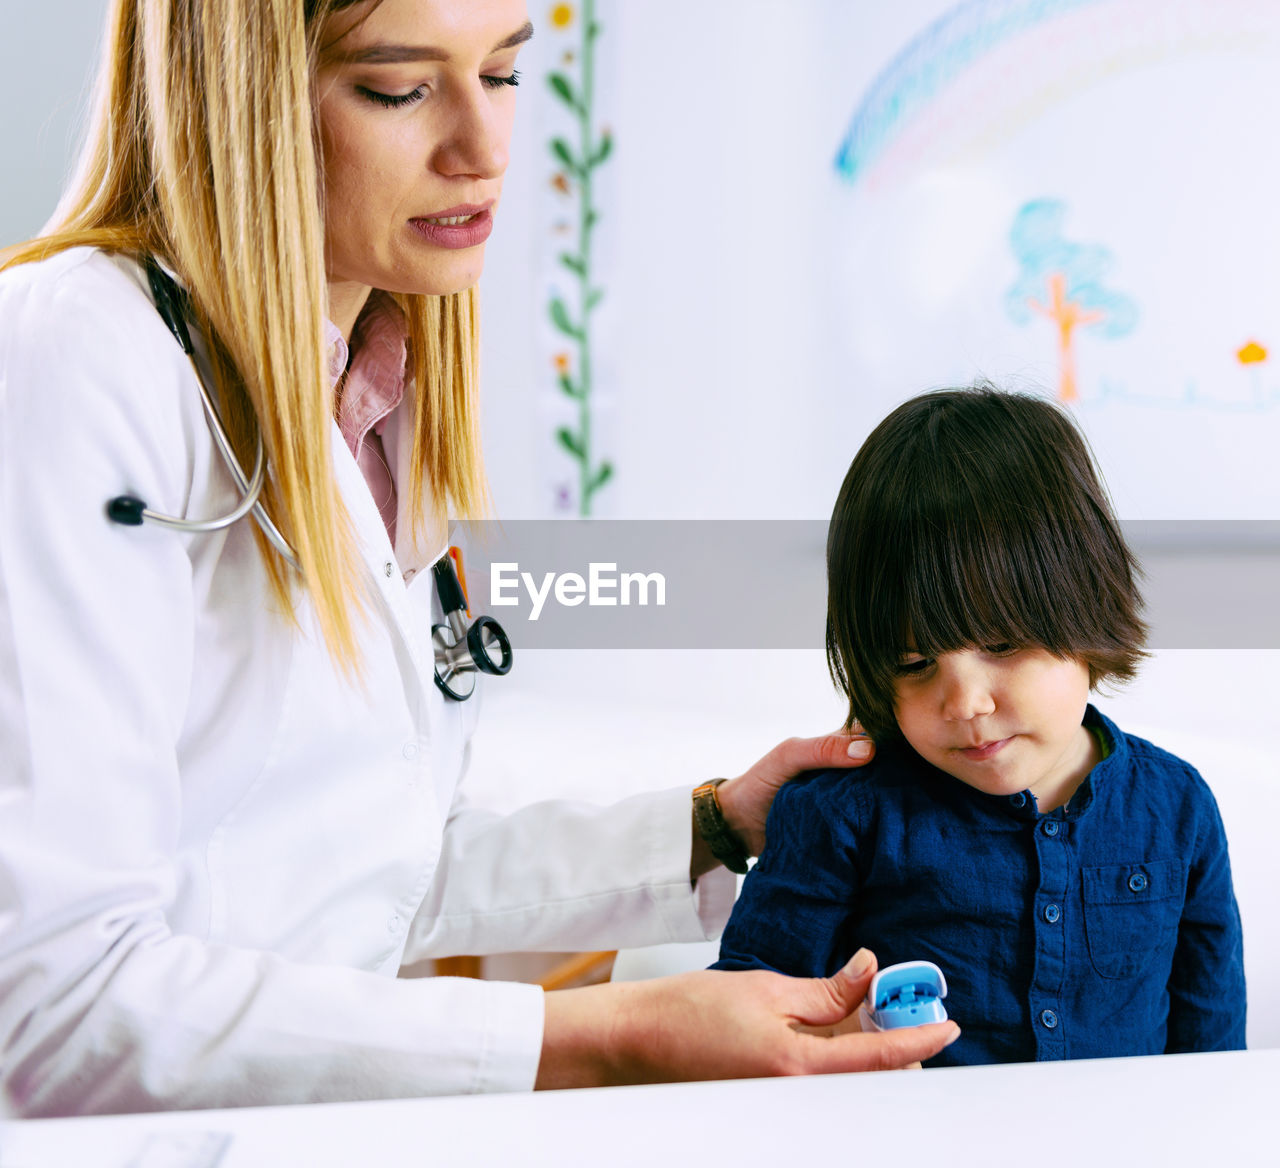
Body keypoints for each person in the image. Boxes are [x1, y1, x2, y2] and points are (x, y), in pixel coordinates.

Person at [0, 0, 961, 1117]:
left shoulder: (374, 395)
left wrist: (711, 825)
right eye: (401, 89)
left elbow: (377, 867)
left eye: (502, 74)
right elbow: (52, 999)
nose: (485, 148)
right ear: (241, 98)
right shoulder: (70, 356)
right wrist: (610, 1037)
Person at [713, 387, 1246, 1064]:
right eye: (913, 662)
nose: (963, 704)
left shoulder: (1177, 806)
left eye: (1000, 646)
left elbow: (1213, 1047)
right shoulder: (840, 813)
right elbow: (736, 1028)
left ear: (1086, 606)